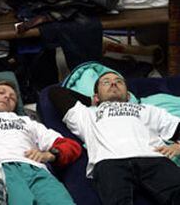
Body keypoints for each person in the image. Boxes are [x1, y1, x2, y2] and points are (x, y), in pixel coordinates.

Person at [49, 71, 180, 205]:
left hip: (153, 158)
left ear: (128, 95)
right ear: (96, 97)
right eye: (106, 82)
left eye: (119, 82)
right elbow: (55, 92)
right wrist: (93, 101)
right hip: (110, 163)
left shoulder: (147, 110)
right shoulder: (86, 114)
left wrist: (178, 145)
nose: (113, 83)